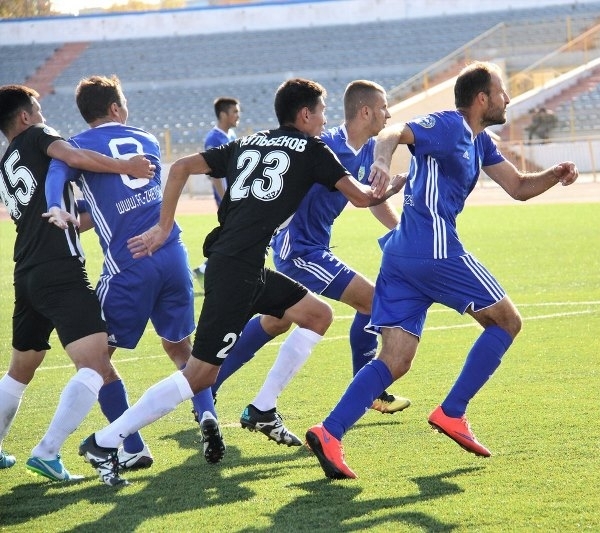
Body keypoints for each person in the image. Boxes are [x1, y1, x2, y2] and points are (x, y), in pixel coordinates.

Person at [77, 78, 404, 486]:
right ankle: (106, 440)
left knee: (316, 315)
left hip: (242, 263)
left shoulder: (250, 141)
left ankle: (263, 407)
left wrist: (163, 227)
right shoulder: (314, 149)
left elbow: (179, 168)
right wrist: (390, 186)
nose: (325, 119)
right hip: (236, 271)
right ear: (305, 115)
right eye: (321, 112)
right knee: (198, 376)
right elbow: (362, 197)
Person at [305, 61, 579, 480]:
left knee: (395, 359)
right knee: (507, 322)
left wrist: (554, 175)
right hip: (433, 249)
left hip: (402, 256)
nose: (508, 98)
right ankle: (453, 411)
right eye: (501, 92)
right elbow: (395, 132)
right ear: (482, 98)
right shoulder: (450, 125)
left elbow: (519, 187)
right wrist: (382, 161)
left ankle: (330, 432)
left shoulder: (479, 140)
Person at [211, 80, 411, 447]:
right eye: (384, 107)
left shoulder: (367, 150)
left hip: (312, 247)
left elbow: (370, 198)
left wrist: (399, 229)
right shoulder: (324, 145)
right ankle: (369, 392)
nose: (388, 114)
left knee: (276, 321)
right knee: (372, 301)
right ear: (365, 111)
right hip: (299, 249)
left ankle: (207, 386)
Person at [43, 75, 220, 472]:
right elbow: (129, 199)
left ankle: (130, 444)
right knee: (181, 349)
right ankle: (207, 413)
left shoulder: (76, 145)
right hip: (172, 254)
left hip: (129, 265)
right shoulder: (147, 139)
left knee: (95, 359)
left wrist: (56, 205)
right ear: (115, 108)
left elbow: (59, 173)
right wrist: (84, 215)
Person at [0, 84, 154, 482]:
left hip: (27, 271)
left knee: (20, 369)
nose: (43, 115)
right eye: (38, 109)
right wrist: (125, 167)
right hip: (60, 270)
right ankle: (47, 451)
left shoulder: (7, 161)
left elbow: (61, 217)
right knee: (97, 364)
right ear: (25, 116)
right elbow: (73, 155)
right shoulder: (38, 136)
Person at [193, 97, 240, 283]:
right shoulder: (214, 139)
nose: (238, 115)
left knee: (234, 236)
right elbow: (215, 175)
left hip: (235, 196)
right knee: (233, 236)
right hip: (228, 198)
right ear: (223, 114)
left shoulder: (231, 135)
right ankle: (207, 270)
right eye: (235, 112)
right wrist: (225, 200)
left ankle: (206, 270)